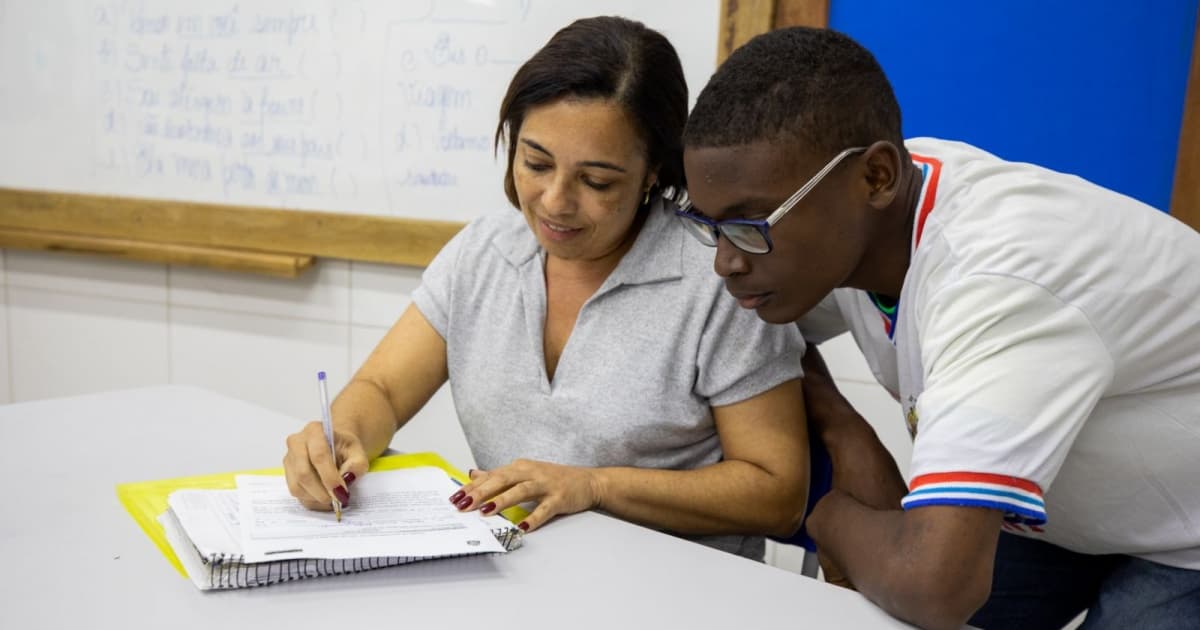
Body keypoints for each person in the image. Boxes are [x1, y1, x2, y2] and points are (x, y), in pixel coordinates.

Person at [678, 26, 1200, 629]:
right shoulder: (860, 199)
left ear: (877, 178)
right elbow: (752, 337)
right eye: (710, 226)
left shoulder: (997, 282)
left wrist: (821, 513)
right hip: (1070, 514)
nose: (726, 261)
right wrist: (847, 431)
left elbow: (934, 588)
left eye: (750, 225)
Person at [282, 16, 810, 561]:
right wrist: (342, 435)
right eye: (536, 162)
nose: (555, 201)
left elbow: (777, 493)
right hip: (515, 575)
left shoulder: (717, 276)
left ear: (653, 170)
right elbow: (384, 390)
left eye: (596, 181)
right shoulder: (486, 251)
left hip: (675, 592)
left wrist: (595, 486)